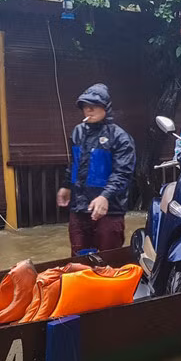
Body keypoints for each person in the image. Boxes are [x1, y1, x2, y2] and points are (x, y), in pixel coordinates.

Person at [56, 84, 137, 256]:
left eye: (94, 106)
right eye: (85, 106)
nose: (89, 110)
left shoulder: (120, 137)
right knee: (79, 260)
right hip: (79, 208)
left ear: (106, 107)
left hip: (109, 209)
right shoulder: (78, 132)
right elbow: (74, 163)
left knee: (109, 259)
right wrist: (66, 185)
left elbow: (123, 174)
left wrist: (105, 196)